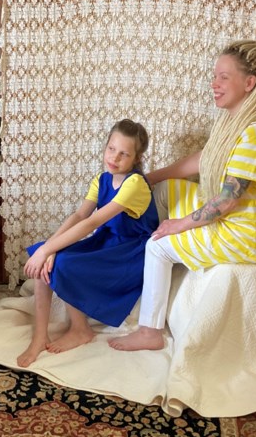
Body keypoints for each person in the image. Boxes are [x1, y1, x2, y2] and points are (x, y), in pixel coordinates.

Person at [109, 40, 256, 351]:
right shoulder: (238, 121)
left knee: (158, 247)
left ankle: (149, 332)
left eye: (224, 77)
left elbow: (227, 200)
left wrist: (179, 224)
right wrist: (145, 179)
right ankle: (128, 260)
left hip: (248, 235)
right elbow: (203, 159)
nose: (215, 84)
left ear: (249, 83)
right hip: (236, 217)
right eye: (215, 76)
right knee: (165, 189)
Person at [20, 119, 160, 366]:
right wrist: (48, 249)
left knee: (61, 262)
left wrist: (49, 249)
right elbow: (79, 216)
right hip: (107, 242)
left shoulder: (135, 184)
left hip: (129, 252)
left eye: (124, 154)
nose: (114, 158)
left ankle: (80, 329)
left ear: (136, 159)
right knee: (48, 260)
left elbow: (91, 222)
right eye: (111, 149)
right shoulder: (102, 179)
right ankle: (39, 335)